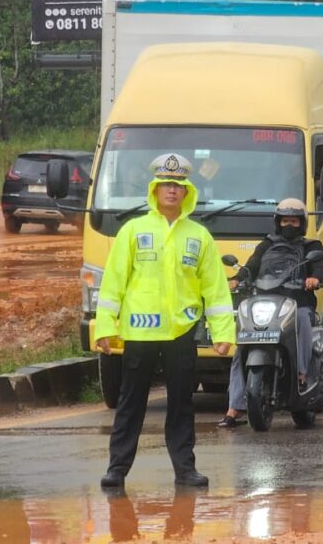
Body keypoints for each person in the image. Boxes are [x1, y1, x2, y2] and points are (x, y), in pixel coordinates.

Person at [95, 153, 235, 489]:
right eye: (165, 185)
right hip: (139, 333)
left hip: (180, 332)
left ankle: (185, 469)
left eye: (178, 185)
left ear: (187, 192)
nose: (172, 190)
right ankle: (117, 468)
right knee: (131, 402)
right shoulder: (133, 230)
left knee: (181, 405)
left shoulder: (198, 236)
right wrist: (105, 326)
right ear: (154, 190)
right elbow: (113, 283)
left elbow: (215, 290)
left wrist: (223, 332)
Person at [218, 198, 323, 427]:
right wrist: (238, 278)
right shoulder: (266, 244)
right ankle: (234, 406)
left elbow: (319, 269)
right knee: (241, 348)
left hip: (298, 303)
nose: (289, 225)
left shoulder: (312, 247)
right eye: (285, 220)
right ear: (277, 222)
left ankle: (302, 374)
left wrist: (314, 278)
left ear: (302, 223)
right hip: (266, 303)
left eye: (294, 221)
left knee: (303, 322)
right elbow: (252, 265)